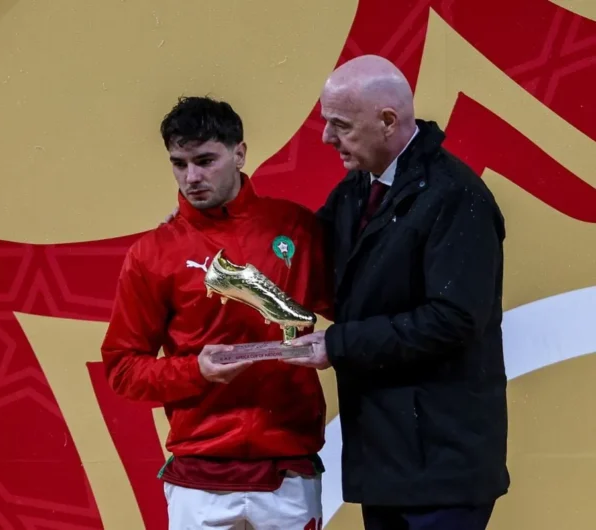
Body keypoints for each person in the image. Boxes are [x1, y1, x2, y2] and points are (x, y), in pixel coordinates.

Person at [286, 55, 510, 529]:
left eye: (340, 125)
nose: (326, 138)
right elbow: (302, 252)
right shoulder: (357, 190)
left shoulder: (456, 196)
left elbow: (453, 320)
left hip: (443, 469)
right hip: (389, 461)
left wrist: (339, 344)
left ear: (387, 121)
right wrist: (206, 229)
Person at [101, 95, 333, 530]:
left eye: (205, 161)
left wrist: (336, 345)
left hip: (288, 469)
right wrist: (196, 371)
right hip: (199, 478)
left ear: (239, 153)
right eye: (179, 164)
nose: (192, 178)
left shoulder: (298, 229)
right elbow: (122, 369)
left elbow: (360, 312)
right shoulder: (152, 254)